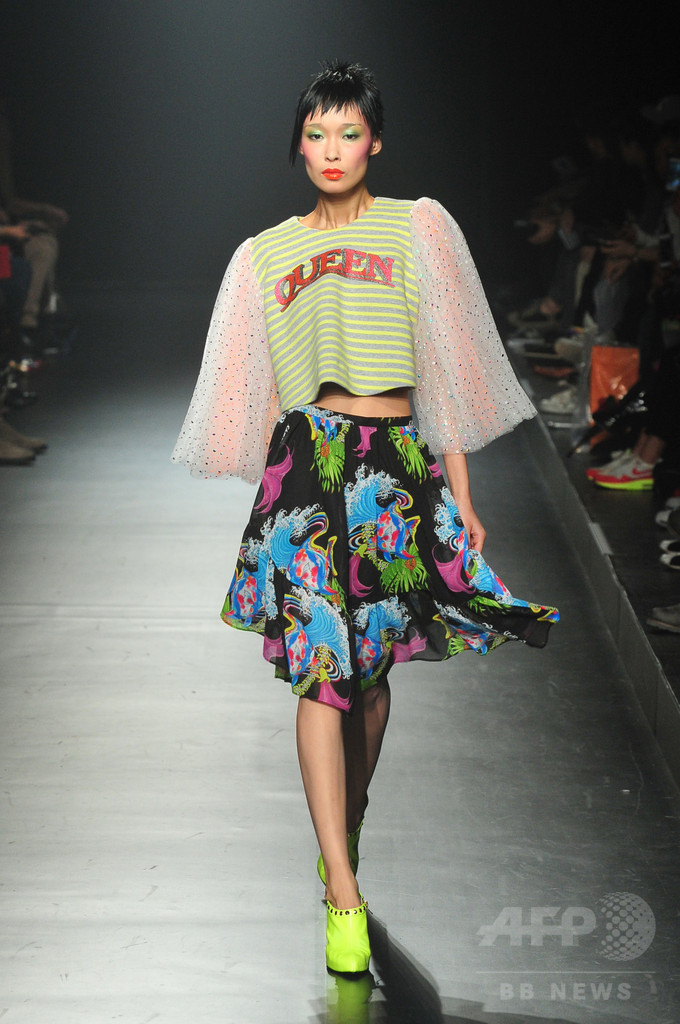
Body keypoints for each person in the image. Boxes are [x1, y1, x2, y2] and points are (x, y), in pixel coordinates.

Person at [172, 61, 559, 975]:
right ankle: (342, 889)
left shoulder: (417, 226)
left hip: (395, 465)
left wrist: (461, 495)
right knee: (323, 675)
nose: (332, 150)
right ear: (298, 146)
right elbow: (246, 392)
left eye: (349, 133)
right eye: (316, 134)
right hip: (307, 467)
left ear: (375, 141)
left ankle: (344, 827)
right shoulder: (263, 256)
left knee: (371, 683)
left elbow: (447, 365)